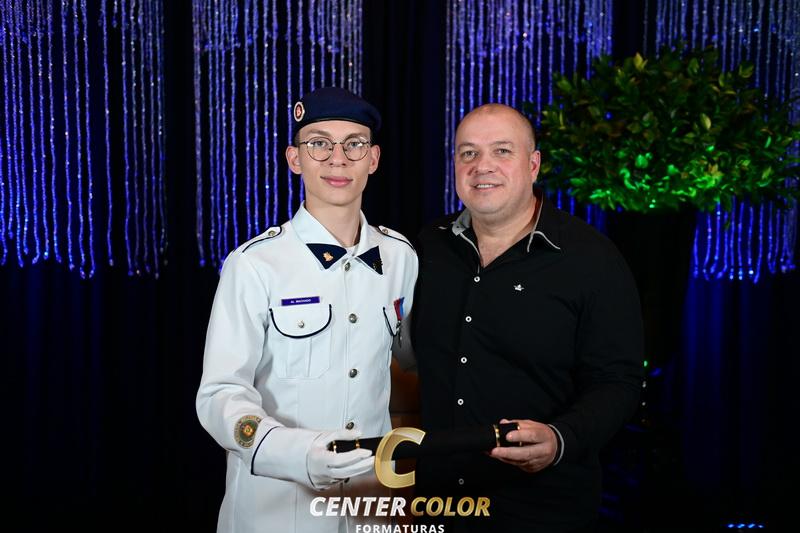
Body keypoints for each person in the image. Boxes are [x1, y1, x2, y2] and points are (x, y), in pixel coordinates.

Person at [409, 103, 643, 532]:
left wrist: (560, 438)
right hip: (437, 505)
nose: (482, 166)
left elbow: (619, 380)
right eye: (468, 153)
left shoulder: (591, 259)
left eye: (502, 151)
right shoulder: (427, 248)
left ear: (533, 165)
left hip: (541, 508)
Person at [197, 87, 418, 533]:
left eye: (354, 144)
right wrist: (295, 453)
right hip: (277, 509)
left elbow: (412, 362)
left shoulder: (400, 258)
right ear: (294, 158)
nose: (338, 159)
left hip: (369, 506)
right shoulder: (255, 264)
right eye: (319, 144)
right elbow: (219, 394)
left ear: (373, 159)